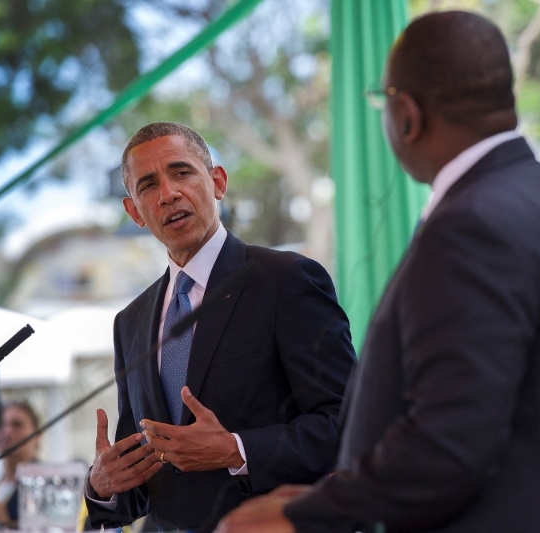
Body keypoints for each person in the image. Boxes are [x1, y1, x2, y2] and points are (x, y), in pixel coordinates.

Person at [217, 11, 540, 533]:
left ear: (406, 115)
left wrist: (309, 514)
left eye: (382, 103)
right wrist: (338, 487)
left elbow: (452, 440)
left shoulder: (471, 226)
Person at [84, 122, 356, 533]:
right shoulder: (131, 323)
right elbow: (145, 478)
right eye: (148, 185)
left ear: (217, 182)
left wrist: (236, 449)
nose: (169, 193)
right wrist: (103, 486)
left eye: (182, 172)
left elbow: (348, 424)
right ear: (135, 211)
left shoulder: (286, 280)